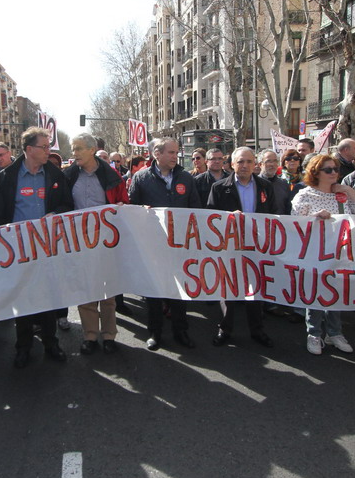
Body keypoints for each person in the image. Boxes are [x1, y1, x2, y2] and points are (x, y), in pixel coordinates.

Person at [0, 127, 73, 368]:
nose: (49, 150)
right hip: (17, 249)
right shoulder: (8, 177)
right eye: (45, 147)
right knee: (23, 299)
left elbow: (67, 205)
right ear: (29, 149)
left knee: (48, 297)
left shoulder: (56, 175)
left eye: (49, 146)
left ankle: (51, 343)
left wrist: (55, 213)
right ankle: (23, 347)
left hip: (48, 247)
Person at [292, 155, 355, 355]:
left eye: (335, 169)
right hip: (314, 253)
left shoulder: (341, 194)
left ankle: (335, 333)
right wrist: (314, 218)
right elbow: (294, 225)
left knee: (336, 293)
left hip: (340, 253)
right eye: (328, 170)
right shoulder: (304, 195)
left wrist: (348, 190)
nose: (334, 172)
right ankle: (314, 334)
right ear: (316, 172)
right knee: (317, 293)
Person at [128, 137, 200, 351]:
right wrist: (142, 210)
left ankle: (181, 331)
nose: (175, 156)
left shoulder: (186, 178)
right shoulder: (140, 177)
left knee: (179, 289)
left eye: (176, 152)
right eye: (170, 152)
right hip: (152, 244)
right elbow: (132, 208)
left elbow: (195, 207)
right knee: (154, 290)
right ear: (157, 154)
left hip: (179, 244)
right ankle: (155, 332)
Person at [206, 147, 276, 349]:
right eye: (240, 162)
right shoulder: (219, 188)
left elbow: (272, 214)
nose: (244, 166)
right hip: (230, 245)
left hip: (256, 245)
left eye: (248, 162)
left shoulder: (265, 187)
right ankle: (225, 329)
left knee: (256, 289)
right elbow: (210, 218)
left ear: (255, 164)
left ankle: (257, 330)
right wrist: (228, 218)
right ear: (232, 164)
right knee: (228, 288)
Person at [65, 133, 129, 354]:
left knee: (108, 289)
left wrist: (122, 206)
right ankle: (90, 335)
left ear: (92, 150)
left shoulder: (112, 177)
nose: (74, 153)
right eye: (73, 149)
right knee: (86, 289)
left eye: (78, 148)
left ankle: (109, 334)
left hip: (107, 242)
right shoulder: (69, 176)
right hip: (80, 241)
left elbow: (125, 204)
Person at [258, 149, 292, 215]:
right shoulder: (254, 184)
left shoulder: (284, 184)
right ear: (260, 164)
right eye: (268, 161)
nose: (272, 164)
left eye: (275, 161)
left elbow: (288, 208)